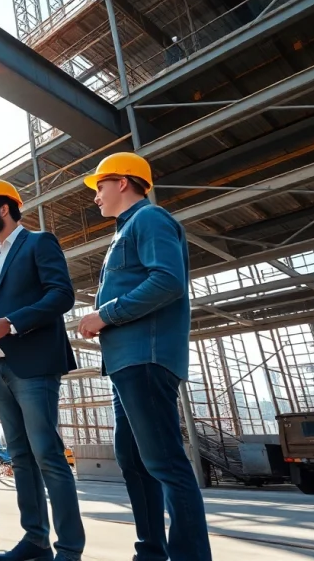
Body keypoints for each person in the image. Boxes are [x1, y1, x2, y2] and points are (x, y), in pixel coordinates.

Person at [77, 153, 212, 561]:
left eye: (100, 186)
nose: (95, 196)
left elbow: (168, 281)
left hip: (145, 358)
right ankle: (150, 551)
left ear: (123, 182)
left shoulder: (150, 220)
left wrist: (106, 313)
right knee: (134, 461)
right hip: (124, 363)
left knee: (165, 461)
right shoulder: (125, 231)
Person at [0, 180, 85, 561]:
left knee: (47, 453)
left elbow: (61, 294)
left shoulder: (39, 243)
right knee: (19, 458)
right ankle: (35, 541)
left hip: (34, 365)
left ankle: (68, 548)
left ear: (5, 208)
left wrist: (13, 323)